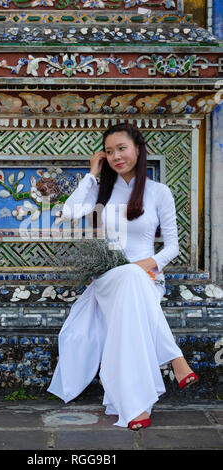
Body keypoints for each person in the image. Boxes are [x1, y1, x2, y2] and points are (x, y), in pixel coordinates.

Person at [47, 123, 199, 430]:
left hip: (146, 278)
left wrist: (148, 264)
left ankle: (131, 406)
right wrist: (92, 174)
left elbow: (172, 247)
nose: (116, 156)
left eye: (122, 148)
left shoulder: (159, 193)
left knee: (128, 309)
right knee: (126, 277)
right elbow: (68, 212)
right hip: (108, 278)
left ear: (138, 150)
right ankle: (174, 359)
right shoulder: (103, 190)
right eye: (109, 151)